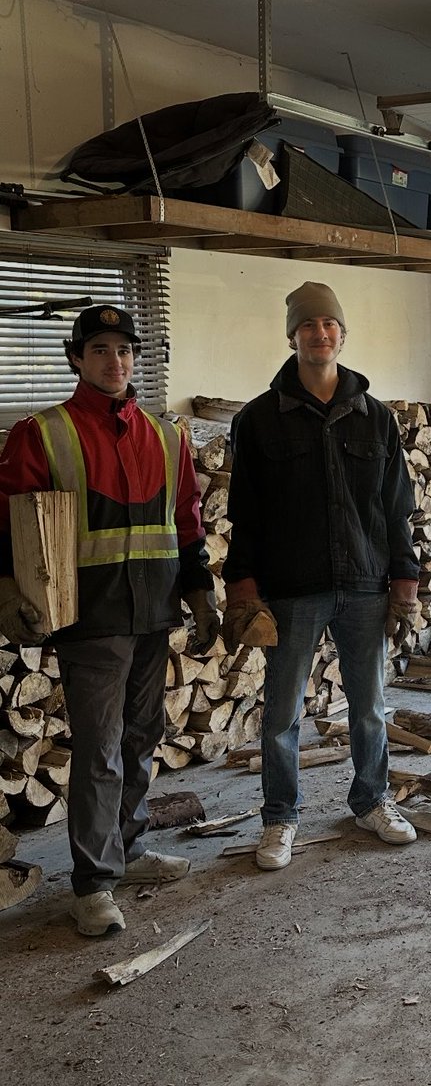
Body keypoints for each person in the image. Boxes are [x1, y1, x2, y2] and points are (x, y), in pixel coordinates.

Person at [0, 305, 218, 937]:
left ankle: (129, 848)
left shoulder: (166, 434)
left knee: (142, 734)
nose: (114, 362)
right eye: (99, 350)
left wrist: (199, 589)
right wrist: (7, 587)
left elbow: (186, 520)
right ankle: (93, 883)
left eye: (124, 351)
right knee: (98, 749)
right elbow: (8, 520)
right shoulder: (43, 434)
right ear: (76, 358)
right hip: (90, 617)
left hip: (153, 609)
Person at [223, 281, 421, 870]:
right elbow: (245, 511)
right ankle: (280, 818)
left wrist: (404, 575)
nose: (320, 334)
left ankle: (372, 800)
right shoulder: (259, 420)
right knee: (282, 710)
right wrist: (242, 584)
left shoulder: (375, 418)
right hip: (292, 587)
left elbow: (396, 506)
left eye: (329, 325)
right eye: (308, 326)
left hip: (363, 582)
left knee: (368, 704)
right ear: (292, 336)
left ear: (342, 335)